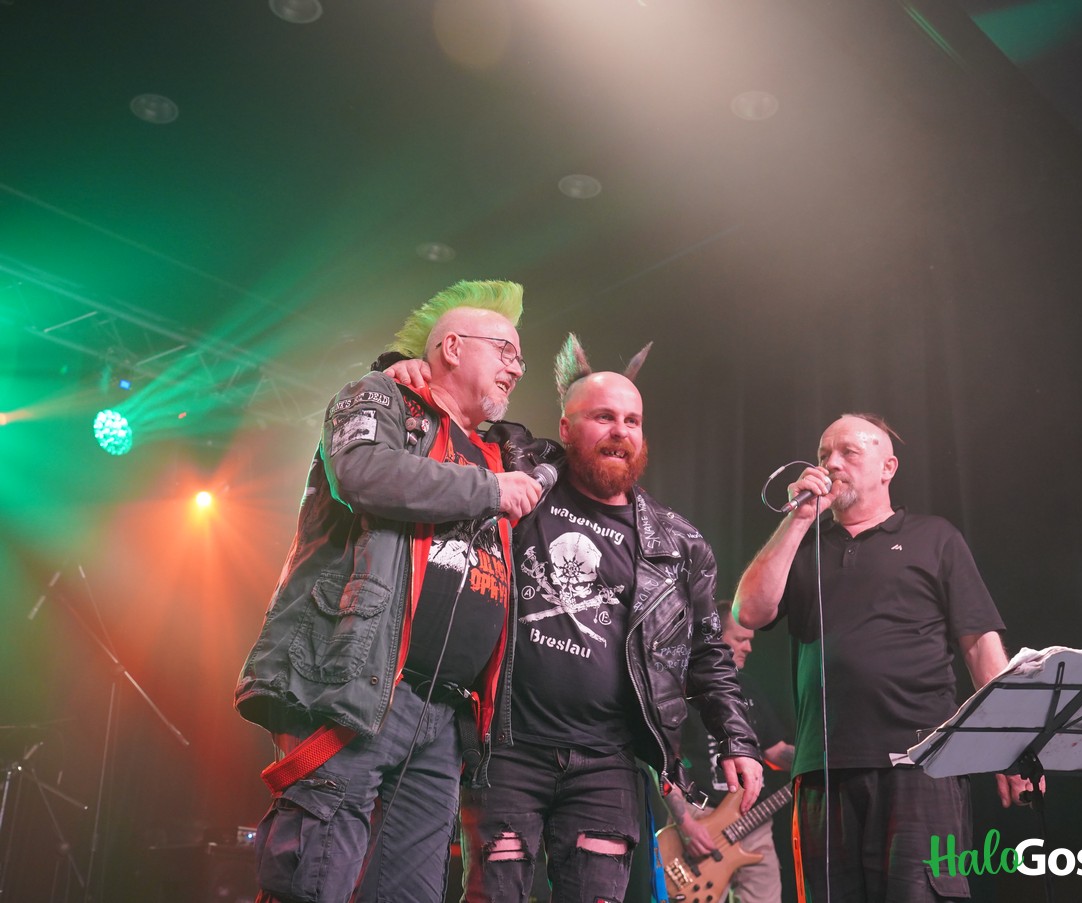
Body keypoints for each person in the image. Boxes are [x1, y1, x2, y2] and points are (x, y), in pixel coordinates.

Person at [386, 334, 764, 903]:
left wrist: (737, 738)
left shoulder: (678, 544)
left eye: (632, 421)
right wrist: (405, 371)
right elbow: (449, 418)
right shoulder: (517, 470)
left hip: (607, 764)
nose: (620, 431)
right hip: (506, 747)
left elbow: (708, 654)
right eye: (603, 417)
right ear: (565, 428)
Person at [233, 280, 546, 903]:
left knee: (411, 893)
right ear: (451, 347)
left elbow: (564, 460)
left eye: (520, 358)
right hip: (362, 691)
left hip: (445, 715)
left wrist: (502, 476)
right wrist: (490, 491)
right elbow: (362, 472)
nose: (516, 367)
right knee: (314, 879)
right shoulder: (381, 398)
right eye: (505, 350)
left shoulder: (499, 450)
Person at [733, 413, 1036, 903]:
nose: (832, 464)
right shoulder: (803, 545)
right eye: (824, 455)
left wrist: (1010, 746)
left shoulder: (934, 538)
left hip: (921, 766)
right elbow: (748, 611)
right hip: (823, 772)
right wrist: (798, 519)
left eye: (848, 452)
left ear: (887, 468)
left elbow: (980, 647)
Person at [664, 600, 795, 903]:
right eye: (740, 639)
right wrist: (686, 824)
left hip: (754, 822)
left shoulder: (749, 688)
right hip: (700, 819)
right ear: (714, 638)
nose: (749, 647)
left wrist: (818, 757)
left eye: (750, 640)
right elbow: (665, 762)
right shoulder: (680, 692)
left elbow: (775, 752)